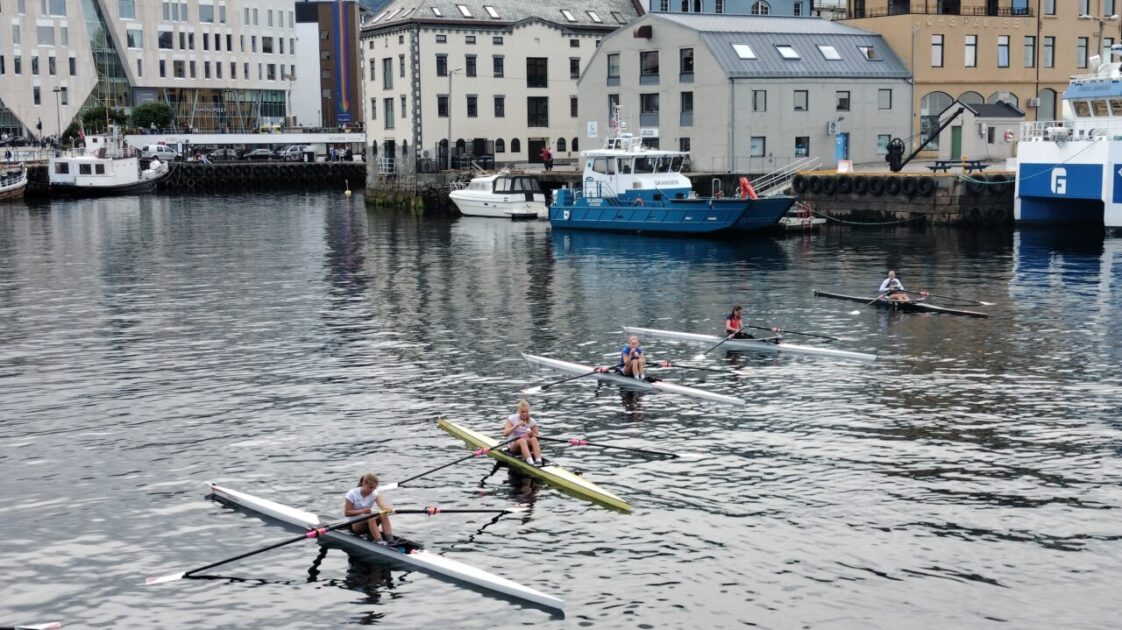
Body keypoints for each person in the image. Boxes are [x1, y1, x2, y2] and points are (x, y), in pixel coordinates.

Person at [344, 472, 395, 545]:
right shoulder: (352, 494)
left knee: (383, 514)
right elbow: (347, 513)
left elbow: (382, 507)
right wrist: (362, 511)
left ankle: (390, 540)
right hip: (354, 524)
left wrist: (388, 509)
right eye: (370, 487)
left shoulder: (374, 494)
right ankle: (379, 541)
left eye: (374, 488)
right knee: (371, 517)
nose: (372, 490)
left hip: (368, 522)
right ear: (364, 483)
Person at [502, 399, 543, 466]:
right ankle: (531, 463)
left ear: (529, 411)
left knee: (534, 439)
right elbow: (505, 434)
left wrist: (532, 434)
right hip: (514, 447)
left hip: (527, 446)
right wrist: (516, 425)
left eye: (526, 412)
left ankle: (539, 461)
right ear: (518, 411)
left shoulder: (532, 421)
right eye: (522, 412)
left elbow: (538, 438)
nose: (524, 414)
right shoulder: (512, 418)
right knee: (522, 441)